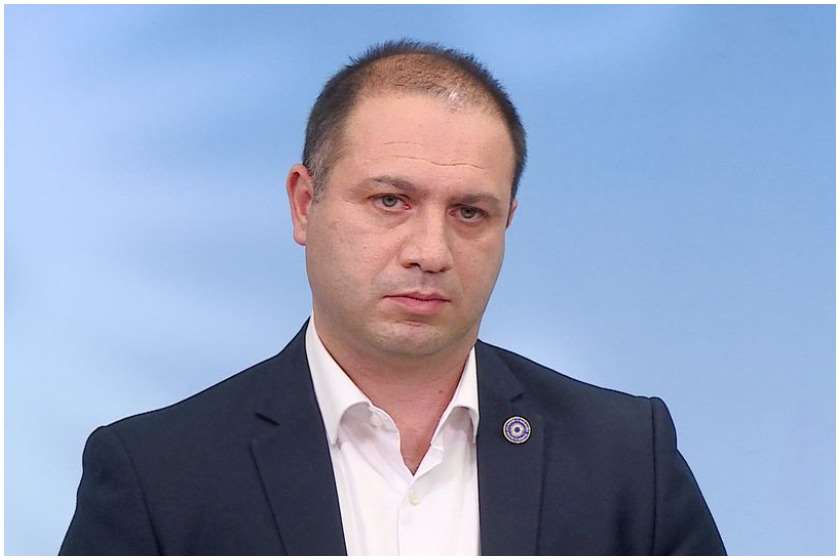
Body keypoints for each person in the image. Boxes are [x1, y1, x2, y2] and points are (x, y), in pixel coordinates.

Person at [60, 40, 726, 555]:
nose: (430, 251)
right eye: (390, 201)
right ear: (304, 203)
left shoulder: (626, 458)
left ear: (507, 225)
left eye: (469, 212)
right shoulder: (158, 475)